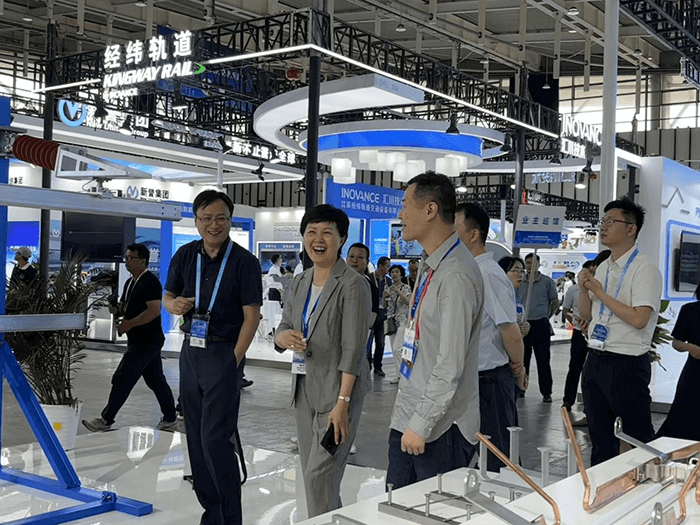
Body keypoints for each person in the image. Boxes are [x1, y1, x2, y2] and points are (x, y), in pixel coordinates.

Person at [163, 190, 262, 525]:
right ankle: (212, 513)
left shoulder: (244, 262)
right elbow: (168, 295)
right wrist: (173, 305)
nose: (214, 225)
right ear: (196, 221)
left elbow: (252, 317)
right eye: (206, 218)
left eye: (221, 218)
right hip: (191, 351)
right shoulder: (185, 255)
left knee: (215, 438)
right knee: (194, 435)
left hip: (223, 351)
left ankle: (231, 517)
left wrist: (234, 359)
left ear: (231, 220)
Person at [274, 204, 371, 517]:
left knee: (320, 475)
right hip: (304, 390)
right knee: (313, 475)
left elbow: (354, 348)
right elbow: (284, 324)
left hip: (338, 393)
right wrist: (282, 338)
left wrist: (343, 403)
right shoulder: (301, 280)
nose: (318, 239)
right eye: (311, 232)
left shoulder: (353, 284)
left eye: (327, 233)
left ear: (341, 239)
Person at [387, 171, 482, 489]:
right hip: (411, 415)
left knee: (436, 508)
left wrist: (421, 423)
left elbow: (450, 364)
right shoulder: (431, 265)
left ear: (430, 210)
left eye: (405, 205)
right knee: (397, 507)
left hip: (438, 429)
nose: (400, 215)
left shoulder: (455, 274)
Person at [578, 197, 662, 466]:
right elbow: (588, 315)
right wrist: (584, 289)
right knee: (600, 437)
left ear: (631, 229)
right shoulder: (604, 266)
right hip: (596, 358)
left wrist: (599, 292)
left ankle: (649, 486)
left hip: (626, 363)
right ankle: (601, 486)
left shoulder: (644, 269)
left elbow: (639, 319)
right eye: (603, 221)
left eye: (610, 222)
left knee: (638, 437)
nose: (603, 227)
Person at [455, 203, 527, 472]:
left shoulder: (488, 274)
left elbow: (509, 330)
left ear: (474, 234)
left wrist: (518, 369)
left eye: (455, 229)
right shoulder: (468, 270)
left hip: (490, 381)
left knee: (499, 457)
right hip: (471, 380)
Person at [82, 243, 177, 433]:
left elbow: (153, 311)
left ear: (142, 261)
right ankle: (170, 417)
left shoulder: (150, 282)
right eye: (125, 258)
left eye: (130, 258)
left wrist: (129, 324)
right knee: (156, 380)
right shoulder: (130, 282)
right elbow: (125, 308)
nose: (126, 262)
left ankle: (106, 419)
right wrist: (116, 309)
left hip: (147, 340)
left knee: (122, 377)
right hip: (139, 340)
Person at [656, 280, 700, 441]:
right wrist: (691, 348)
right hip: (695, 374)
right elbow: (677, 343)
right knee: (684, 419)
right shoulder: (690, 310)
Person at [518, 253, 559, 403]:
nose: (530, 266)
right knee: (523, 359)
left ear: (538, 264)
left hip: (540, 324)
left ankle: (546, 392)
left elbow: (555, 302)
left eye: (532, 263)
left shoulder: (547, 282)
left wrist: (547, 316)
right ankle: (521, 388)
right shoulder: (520, 282)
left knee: (543, 360)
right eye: (527, 263)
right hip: (523, 324)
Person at [560, 260, 597, 418]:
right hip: (579, 333)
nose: (591, 275)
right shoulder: (574, 290)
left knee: (593, 371)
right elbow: (566, 310)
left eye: (594, 272)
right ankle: (568, 400)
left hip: (596, 335)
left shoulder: (600, 290)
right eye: (588, 272)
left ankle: (591, 406)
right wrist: (576, 324)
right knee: (575, 367)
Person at [384, 264, 411, 384]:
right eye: (392, 272)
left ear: (401, 274)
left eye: (396, 272)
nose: (394, 274)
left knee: (397, 348)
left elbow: (408, 302)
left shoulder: (406, 287)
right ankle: (398, 375)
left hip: (403, 321)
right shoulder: (388, 288)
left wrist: (398, 292)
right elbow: (386, 306)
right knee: (394, 348)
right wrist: (384, 297)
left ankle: (403, 375)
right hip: (392, 321)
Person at [370, 256, 391, 376]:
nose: (388, 269)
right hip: (371, 314)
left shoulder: (388, 281)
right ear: (380, 266)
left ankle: (378, 367)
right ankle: (367, 364)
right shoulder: (370, 278)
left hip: (382, 316)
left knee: (381, 342)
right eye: (387, 266)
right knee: (368, 341)